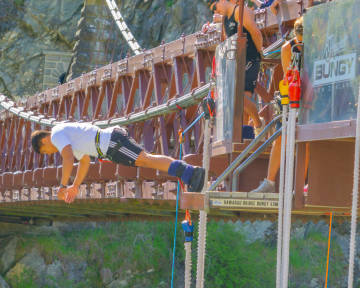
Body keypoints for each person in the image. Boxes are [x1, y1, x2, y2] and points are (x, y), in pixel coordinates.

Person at [31, 123, 206, 203]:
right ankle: (189, 174)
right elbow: (84, 162)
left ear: (44, 141)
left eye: (46, 151)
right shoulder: (68, 139)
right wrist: (75, 186)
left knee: (145, 159)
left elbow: (67, 158)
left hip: (112, 142)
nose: (51, 153)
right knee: (146, 161)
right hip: (110, 147)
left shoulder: (56, 134)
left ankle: (190, 173)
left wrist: (62, 185)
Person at [252, 17, 306, 193]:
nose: (301, 43)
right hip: (293, 95)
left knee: (307, 140)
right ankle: (270, 181)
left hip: (311, 98)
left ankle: (301, 185)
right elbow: (290, 75)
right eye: (299, 39)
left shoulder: (316, 45)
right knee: (281, 136)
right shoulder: (287, 49)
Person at [208, 0, 265, 134]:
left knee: (240, 97)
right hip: (236, 62)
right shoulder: (225, 19)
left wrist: (260, 54)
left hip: (250, 59)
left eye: (215, 8)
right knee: (239, 104)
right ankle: (245, 134)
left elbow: (255, 32)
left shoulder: (240, 11)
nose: (215, 12)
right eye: (213, 11)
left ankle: (258, 123)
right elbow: (225, 41)